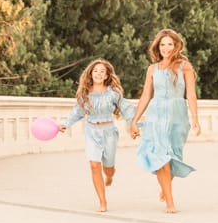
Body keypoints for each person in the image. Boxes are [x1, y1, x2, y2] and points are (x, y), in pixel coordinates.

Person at [129, 28, 201, 213]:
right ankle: (170, 202)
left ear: (176, 45)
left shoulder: (184, 66)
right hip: (156, 116)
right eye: (163, 44)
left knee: (173, 156)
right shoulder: (152, 69)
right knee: (160, 156)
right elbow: (146, 95)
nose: (166, 48)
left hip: (178, 117)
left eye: (170, 44)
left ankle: (165, 185)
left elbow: (191, 94)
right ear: (157, 47)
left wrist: (195, 119)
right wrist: (135, 120)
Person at [58, 59, 135, 213]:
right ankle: (102, 201)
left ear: (106, 75)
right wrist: (65, 123)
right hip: (92, 131)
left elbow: (127, 109)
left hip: (109, 132)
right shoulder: (85, 95)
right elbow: (77, 112)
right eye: (95, 71)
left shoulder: (113, 93)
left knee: (109, 167)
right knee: (94, 165)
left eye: (102, 71)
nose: (98, 74)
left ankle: (110, 175)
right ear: (90, 74)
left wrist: (133, 125)